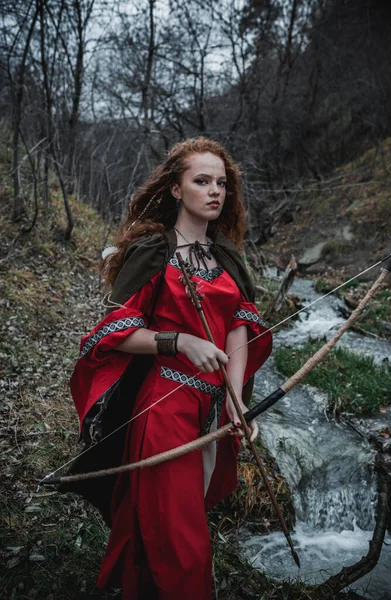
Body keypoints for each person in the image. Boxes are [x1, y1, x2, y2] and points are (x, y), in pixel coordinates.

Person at [68, 137, 273, 599]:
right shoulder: (152, 251)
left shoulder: (227, 257)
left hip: (215, 407)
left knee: (176, 522)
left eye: (221, 183)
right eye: (202, 181)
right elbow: (112, 333)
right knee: (184, 543)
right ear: (176, 189)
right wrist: (177, 341)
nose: (215, 191)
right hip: (165, 405)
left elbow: (240, 325)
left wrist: (238, 399)